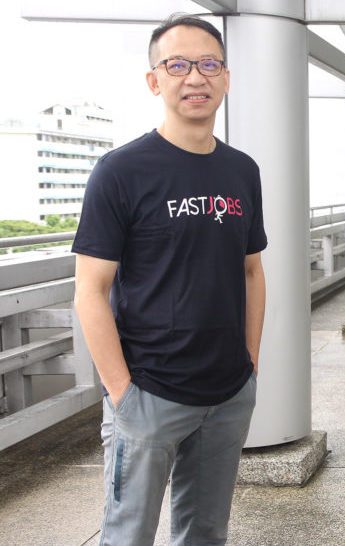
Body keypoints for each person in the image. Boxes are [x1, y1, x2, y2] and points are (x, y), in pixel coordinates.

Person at [72, 14, 267, 546]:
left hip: (228, 392)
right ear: (154, 80)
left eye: (209, 64)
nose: (195, 77)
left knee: (206, 533)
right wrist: (122, 394)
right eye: (177, 65)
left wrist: (250, 365)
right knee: (128, 536)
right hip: (149, 392)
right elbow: (89, 290)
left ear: (226, 77)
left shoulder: (242, 170)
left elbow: (252, 270)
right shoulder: (121, 171)